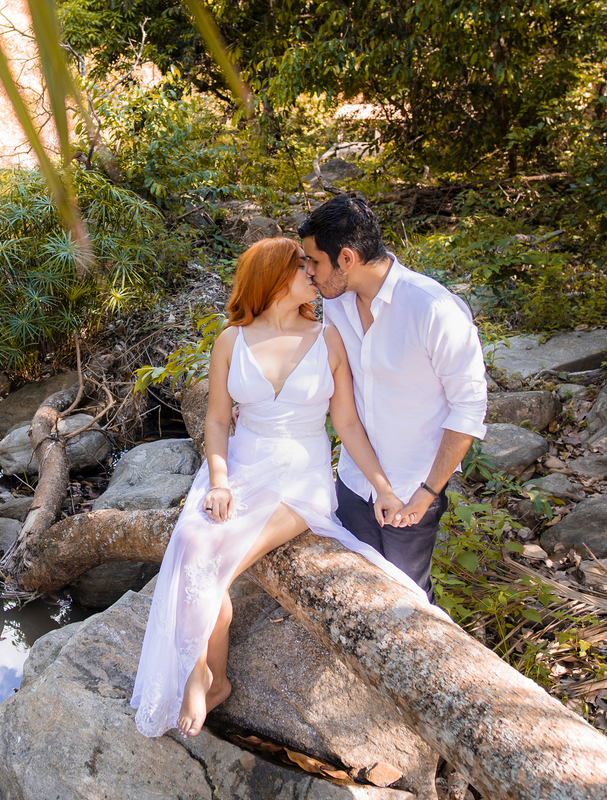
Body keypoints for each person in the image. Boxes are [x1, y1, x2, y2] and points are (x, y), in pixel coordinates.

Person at [130, 237, 435, 740]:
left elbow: (349, 426)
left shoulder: (327, 338)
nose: (313, 275)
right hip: (240, 466)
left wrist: (381, 485)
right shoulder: (231, 339)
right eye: (302, 268)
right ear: (274, 278)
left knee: (215, 563)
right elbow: (217, 421)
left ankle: (204, 676)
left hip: (300, 475)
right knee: (191, 543)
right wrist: (220, 480)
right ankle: (208, 676)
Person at [299, 196, 488, 603]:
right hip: (354, 481)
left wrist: (427, 492)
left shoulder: (434, 310)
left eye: (314, 261)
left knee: (410, 602)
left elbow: (469, 409)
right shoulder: (337, 307)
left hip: (410, 490)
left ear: (346, 258)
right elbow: (335, 387)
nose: (309, 273)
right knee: (357, 594)